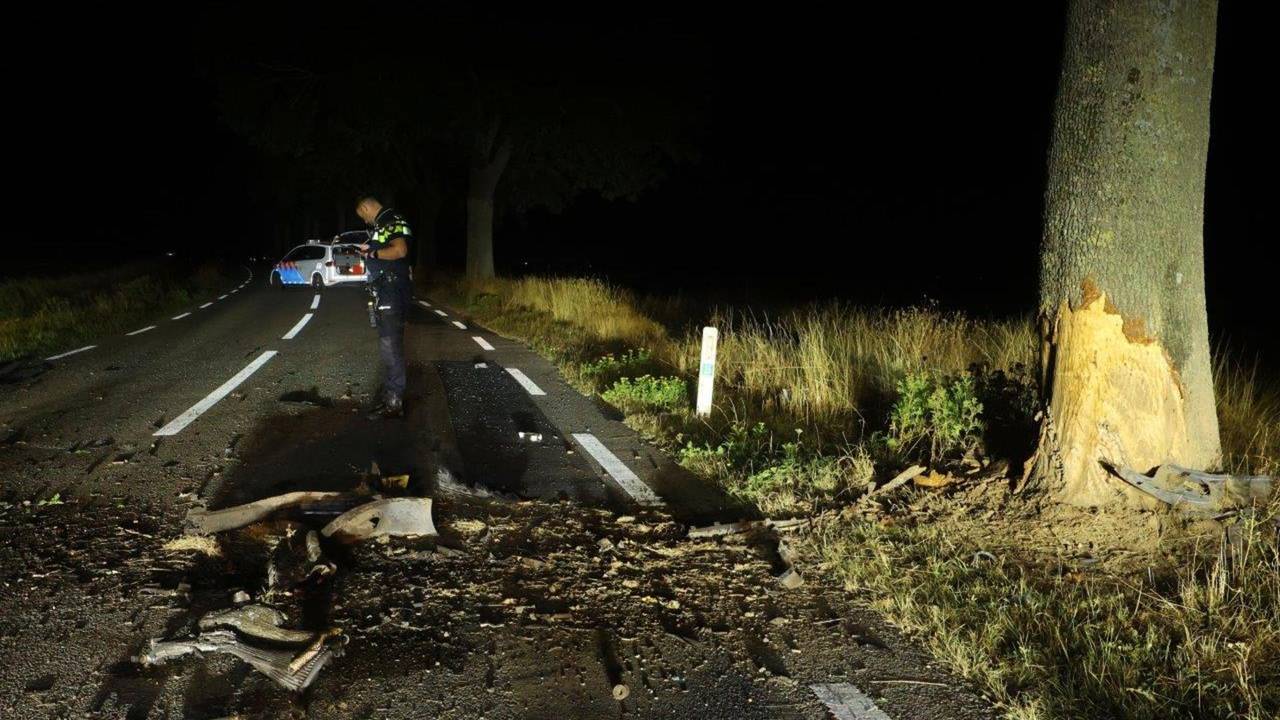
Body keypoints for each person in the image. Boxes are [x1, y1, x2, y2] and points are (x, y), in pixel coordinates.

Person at [355, 194, 413, 419]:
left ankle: (394, 401)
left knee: (390, 346)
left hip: (391, 290)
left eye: (363, 216)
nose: (365, 221)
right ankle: (390, 395)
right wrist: (370, 248)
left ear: (366, 207)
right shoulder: (385, 223)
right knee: (389, 345)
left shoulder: (390, 220)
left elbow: (400, 250)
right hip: (388, 289)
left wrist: (373, 252)